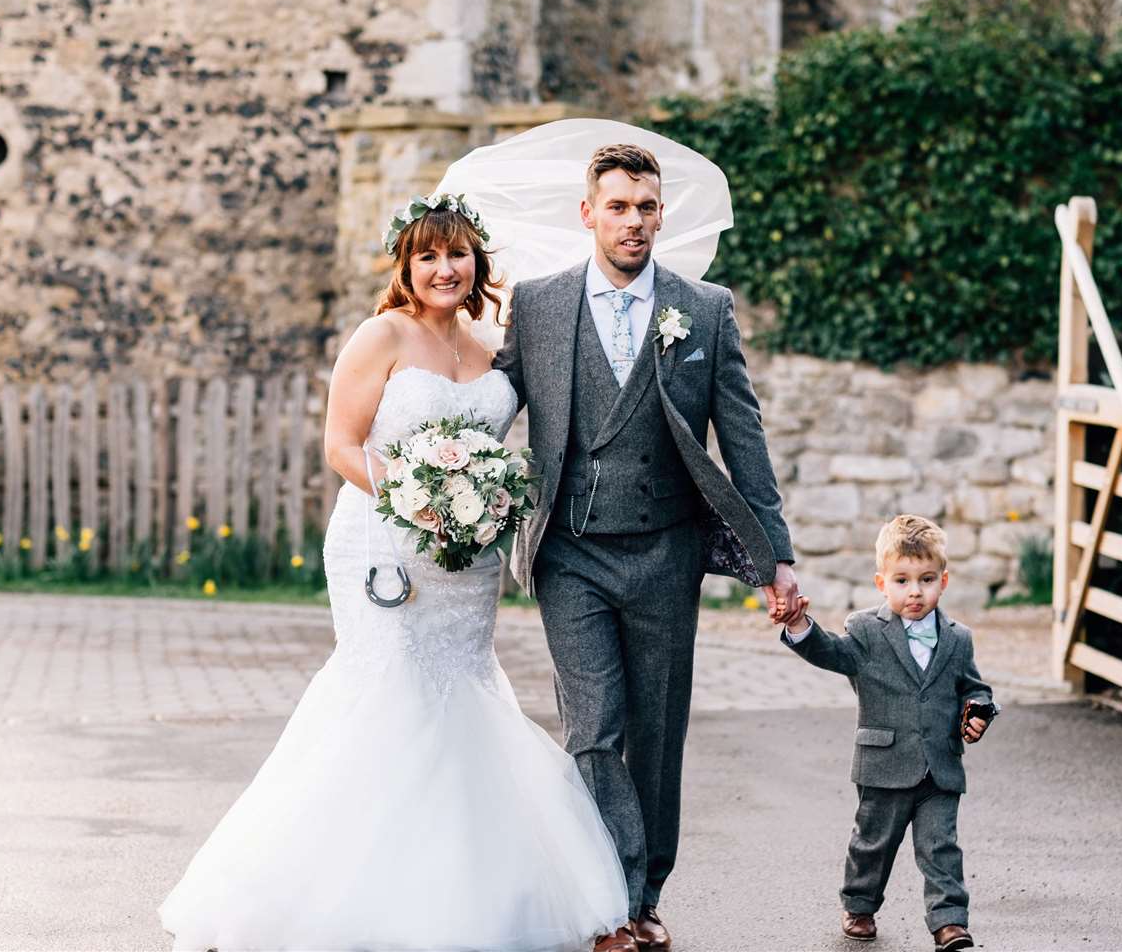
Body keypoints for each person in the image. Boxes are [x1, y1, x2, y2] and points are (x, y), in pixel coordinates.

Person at [158, 198, 629, 952]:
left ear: (478, 263)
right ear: (405, 267)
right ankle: (310, 893)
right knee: (389, 694)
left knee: (463, 695)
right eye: (427, 258)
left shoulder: (493, 344)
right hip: (384, 542)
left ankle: (466, 891)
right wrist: (419, 501)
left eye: (458, 255)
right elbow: (341, 446)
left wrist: (478, 508)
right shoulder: (380, 335)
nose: (445, 270)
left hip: (468, 560)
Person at [494, 143, 800, 952]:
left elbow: (744, 437)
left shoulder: (703, 309)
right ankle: (609, 901)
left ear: (663, 214)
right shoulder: (537, 305)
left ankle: (647, 891)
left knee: (657, 735)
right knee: (594, 726)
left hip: (666, 554)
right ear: (587, 213)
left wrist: (775, 555)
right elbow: (488, 404)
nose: (634, 222)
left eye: (648, 207)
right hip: (571, 552)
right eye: (619, 206)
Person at [778, 514, 996, 952]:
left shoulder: (959, 639)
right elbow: (831, 654)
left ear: (944, 581)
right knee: (873, 844)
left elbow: (973, 686)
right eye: (902, 580)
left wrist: (980, 709)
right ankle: (859, 904)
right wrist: (800, 626)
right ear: (882, 583)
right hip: (883, 762)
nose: (915, 591)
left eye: (926, 579)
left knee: (941, 847)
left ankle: (949, 922)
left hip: (940, 766)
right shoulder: (865, 631)